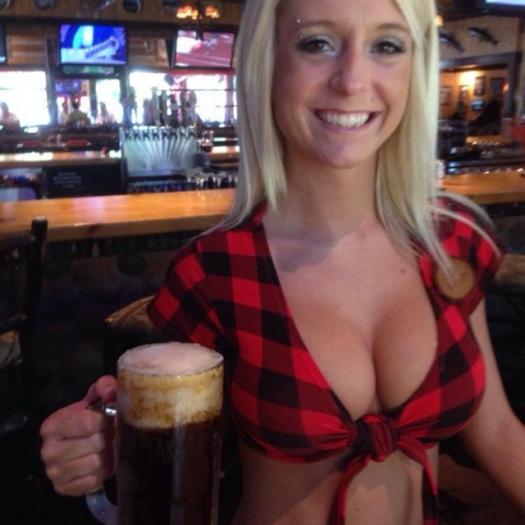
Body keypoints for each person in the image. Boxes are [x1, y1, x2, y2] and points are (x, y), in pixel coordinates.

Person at [40, 1, 525, 524]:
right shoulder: (216, 269)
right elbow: (166, 440)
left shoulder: (451, 240)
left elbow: (497, 430)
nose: (352, 80)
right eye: (317, 43)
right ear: (267, 65)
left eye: (387, 45)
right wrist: (99, 440)